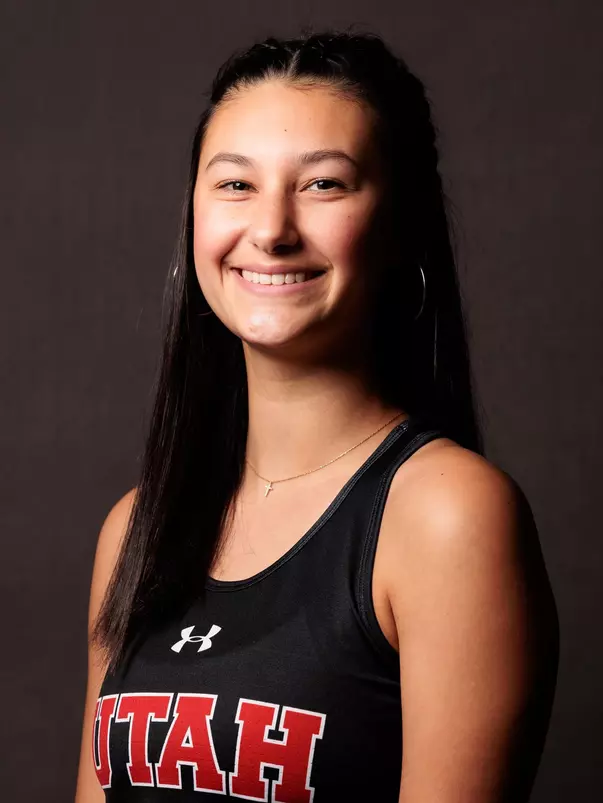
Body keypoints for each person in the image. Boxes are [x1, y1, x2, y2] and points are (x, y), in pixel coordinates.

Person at [74, 27, 559, 803]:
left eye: (323, 184)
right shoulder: (136, 528)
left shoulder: (446, 515)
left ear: (399, 224)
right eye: (234, 184)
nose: (270, 230)